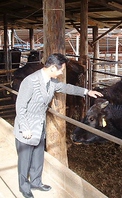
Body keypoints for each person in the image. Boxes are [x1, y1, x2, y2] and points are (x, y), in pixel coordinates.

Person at [13, 53, 103, 198]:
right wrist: (25, 128)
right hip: (27, 128)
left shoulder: (51, 82)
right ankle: (24, 187)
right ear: (53, 68)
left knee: (37, 157)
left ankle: (36, 182)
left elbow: (66, 87)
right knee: (25, 160)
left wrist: (87, 91)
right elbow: (20, 106)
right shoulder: (30, 81)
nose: (62, 73)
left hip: (39, 125)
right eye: (61, 70)